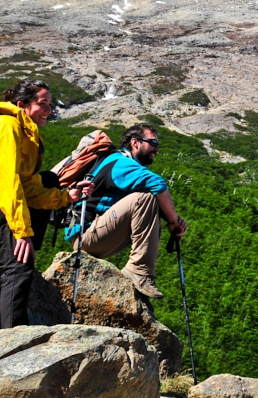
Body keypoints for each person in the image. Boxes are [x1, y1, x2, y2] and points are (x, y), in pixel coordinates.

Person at [0, 80, 91, 328]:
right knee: (18, 263)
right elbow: (6, 183)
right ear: (22, 105)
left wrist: (66, 197)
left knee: (49, 180)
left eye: (50, 104)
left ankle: (22, 266)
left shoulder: (25, 132)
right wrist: (21, 233)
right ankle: (12, 343)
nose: (49, 110)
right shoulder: (6, 127)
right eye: (42, 104)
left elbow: (28, 187)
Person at [65, 124, 187, 299]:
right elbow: (158, 184)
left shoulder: (122, 163)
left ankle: (140, 272)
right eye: (152, 142)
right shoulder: (121, 162)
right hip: (86, 236)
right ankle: (139, 271)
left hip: (93, 234)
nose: (157, 149)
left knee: (150, 201)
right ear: (135, 142)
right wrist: (173, 222)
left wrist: (173, 219)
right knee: (145, 198)